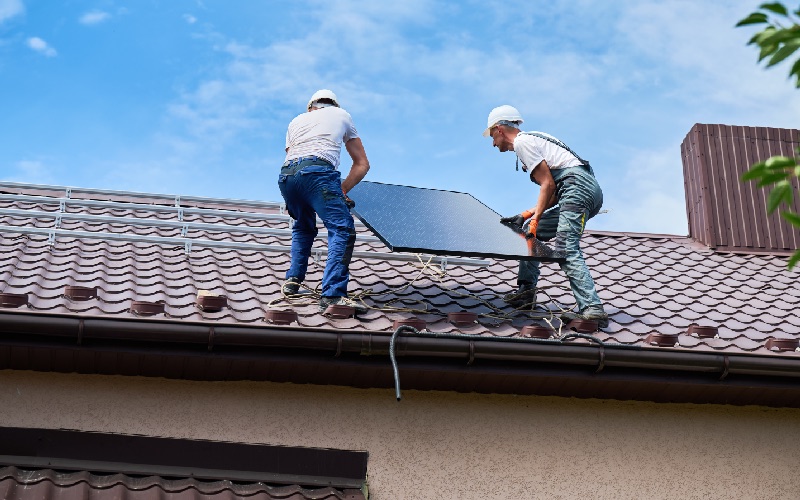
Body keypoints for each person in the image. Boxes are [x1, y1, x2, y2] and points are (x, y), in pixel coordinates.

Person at [484, 105, 608, 328]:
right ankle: (526, 294)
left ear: (500, 129)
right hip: (582, 189)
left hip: (577, 189)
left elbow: (548, 184)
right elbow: (552, 190)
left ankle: (592, 309)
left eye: (492, 135)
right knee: (530, 233)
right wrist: (529, 216)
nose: (493, 143)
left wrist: (535, 218)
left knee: (566, 247)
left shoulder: (522, 143)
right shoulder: (535, 138)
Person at [279, 89, 370, 312]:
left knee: (303, 227)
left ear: (311, 107)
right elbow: (362, 164)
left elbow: (293, 156)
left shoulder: (296, 121)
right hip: (318, 173)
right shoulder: (342, 115)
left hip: (287, 177)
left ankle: (293, 280)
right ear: (334, 105)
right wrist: (342, 189)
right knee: (342, 228)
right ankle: (333, 295)